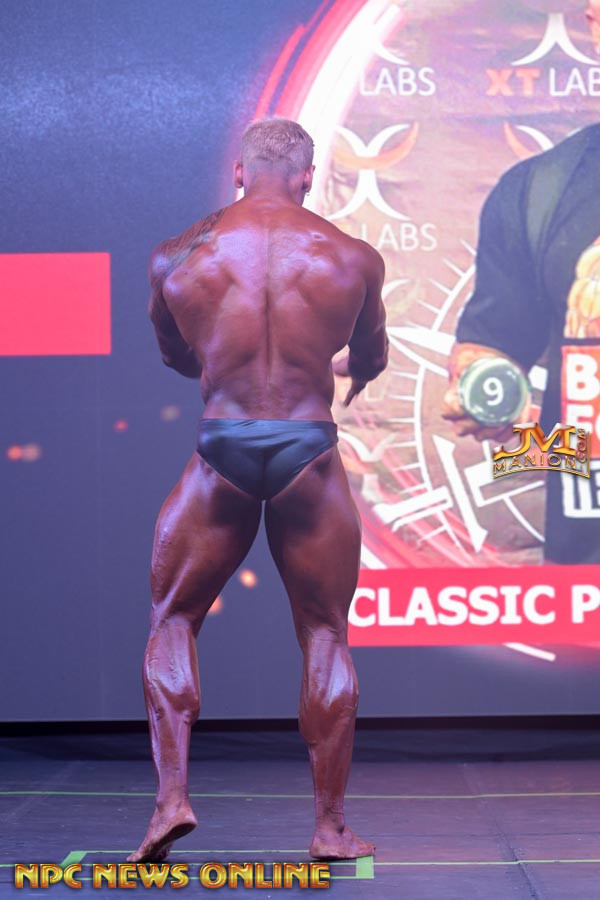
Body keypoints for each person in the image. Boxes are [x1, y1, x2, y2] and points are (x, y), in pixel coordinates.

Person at [128, 118, 388, 863]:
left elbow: (177, 356)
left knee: (173, 619)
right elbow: (371, 354)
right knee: (325, 632)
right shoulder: (352, 257)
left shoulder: (177, 255)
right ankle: (329, 828)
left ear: (239, 172)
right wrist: (341, 370)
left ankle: (171, 802)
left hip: (224, 446)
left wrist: (226, 360)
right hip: (309, 448)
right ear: (308, 177)